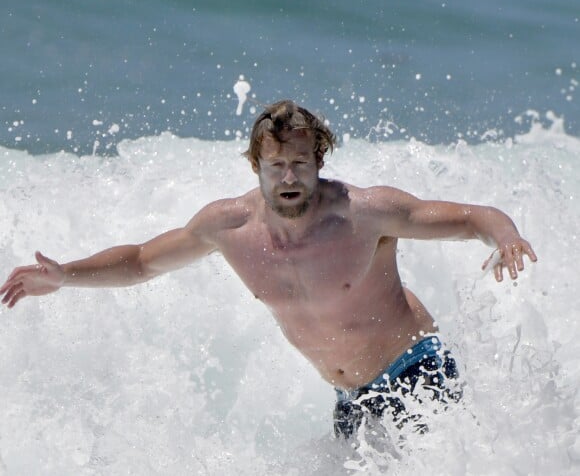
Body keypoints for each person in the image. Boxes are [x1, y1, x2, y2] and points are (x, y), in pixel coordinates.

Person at [1, 100, 537, 439]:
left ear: (319, 162)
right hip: (348, 399)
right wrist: (66, 274)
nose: (289, 176)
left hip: (415, 374)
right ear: (256, 167)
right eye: (276, 164)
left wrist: (506, 236)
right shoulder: (226, 227)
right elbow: (142, 261)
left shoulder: (364, 212)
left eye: (300, 163)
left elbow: (469, 218)